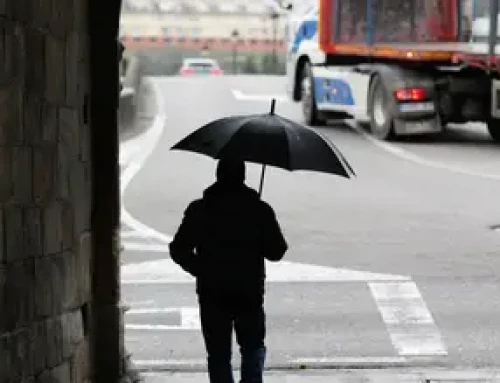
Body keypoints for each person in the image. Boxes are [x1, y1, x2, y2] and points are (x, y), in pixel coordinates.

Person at [169, 157, 288, 383]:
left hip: (212, 291)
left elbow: (178, 249)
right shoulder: (259, 210)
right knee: (252, 346)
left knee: (218, 353)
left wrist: (201, 270)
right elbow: (277, 251)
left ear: (217, 176)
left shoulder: (200, 209)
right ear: (243, 177)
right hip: (249, 291)